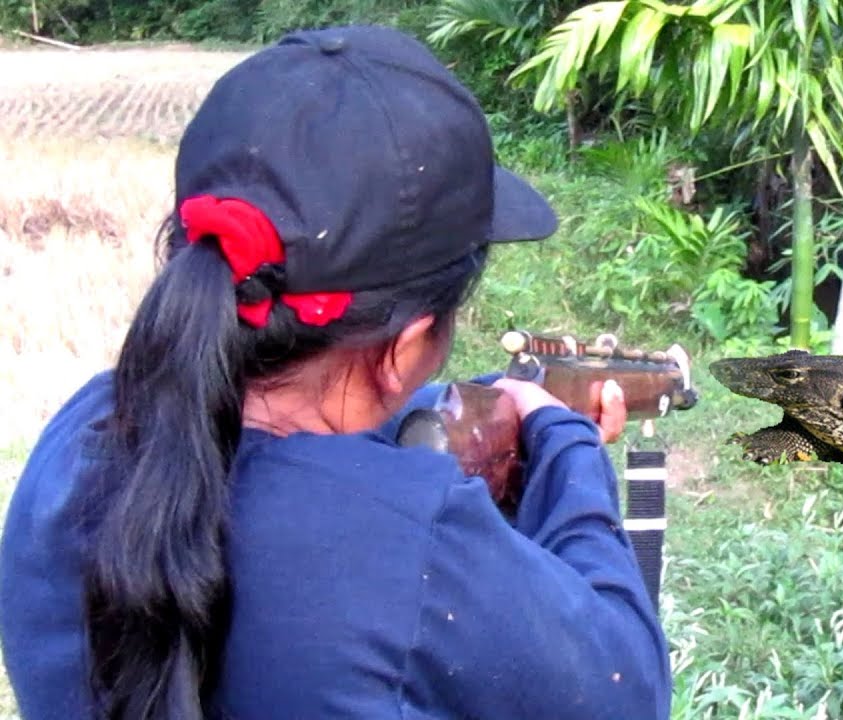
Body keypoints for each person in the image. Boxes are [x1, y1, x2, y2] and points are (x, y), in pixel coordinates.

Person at [0, 25, 672, 720]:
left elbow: (291, 463)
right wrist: (567, 449)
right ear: (404, 347)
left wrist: (482, 419)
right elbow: (629, 692)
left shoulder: (74, 437)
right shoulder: (414, 537)